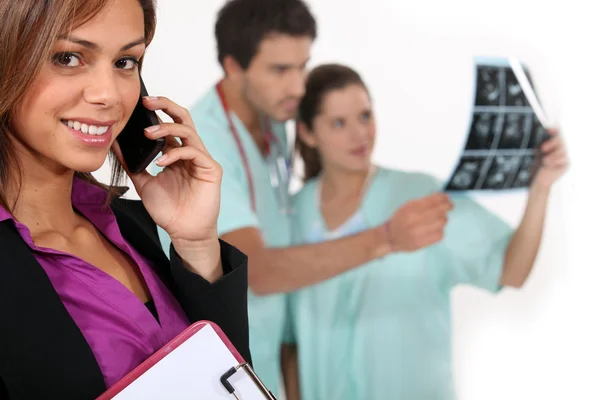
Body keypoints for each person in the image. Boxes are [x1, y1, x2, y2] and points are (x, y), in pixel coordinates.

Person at [154, 0, 454, 395]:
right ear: (233, 66)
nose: (298, 87)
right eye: (280, 70)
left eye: (302, 65)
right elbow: (256, 271)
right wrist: (388, 239)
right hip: (218, 373)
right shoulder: (207, 143)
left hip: (265, 360)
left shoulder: (274, 120)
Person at [0, 0, 250, 399]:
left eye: (125, 62)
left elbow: (230, 385)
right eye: (68, 57)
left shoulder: (131, 225)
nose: (109, 95)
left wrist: (197, 245)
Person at [283, 64, 569, 400]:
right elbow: (290, 342)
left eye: (365, 116)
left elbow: (512, 270)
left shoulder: (420, 196)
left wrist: (541, 189)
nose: (360, 135)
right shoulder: (292, 216)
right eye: (338, 123)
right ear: (307, 132)